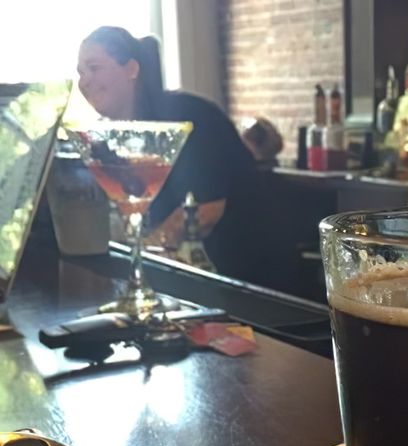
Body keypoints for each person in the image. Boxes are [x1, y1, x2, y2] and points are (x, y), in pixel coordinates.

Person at [76, 26, 289, 288]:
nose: (83, 81)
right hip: (194, 282)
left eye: (94, 68)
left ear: (131, 69)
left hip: (251, 280)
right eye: (80, 73)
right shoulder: (111, 137)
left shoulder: (183, 115)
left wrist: (143, 256)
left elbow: (206, 209)